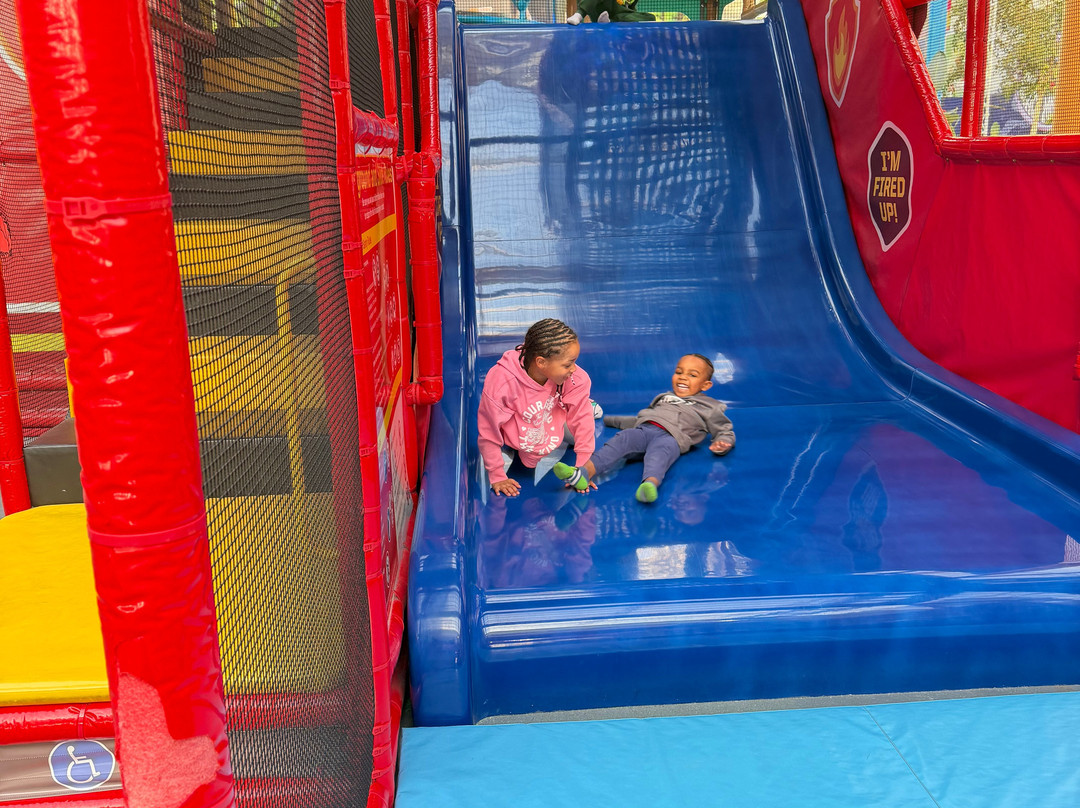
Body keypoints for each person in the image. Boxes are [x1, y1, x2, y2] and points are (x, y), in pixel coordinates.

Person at [554, 353, 734, 503]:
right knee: (620, 440)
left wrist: (723, 442)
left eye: (692, 375)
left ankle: (649, 485)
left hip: (671, 439)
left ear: (706, 385)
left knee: (658, 457)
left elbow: (724, 428)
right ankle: (584, 473)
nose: (683, 377)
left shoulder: (710, 406)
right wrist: (611, 420)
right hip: (645, 430)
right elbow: (642, 417)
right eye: (679, 372)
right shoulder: (664, 397)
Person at [478, 318, 600, 497]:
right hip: (523, 424)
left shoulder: (575, 379)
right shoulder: (503, 382)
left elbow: (582, 422)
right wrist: (497, 475)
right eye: (568, 364)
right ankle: (584, 405)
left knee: (581, 424)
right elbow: (489, 431)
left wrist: (582, 467)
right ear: (541, 362)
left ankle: (588, 404)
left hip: (555, 417)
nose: (574, 369)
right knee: (523, 449)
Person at [567, 0, 655, 24]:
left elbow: (631, 9)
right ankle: (578, 15)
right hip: (600, 10)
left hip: (618, 17)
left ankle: (609, 22)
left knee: (651, 17)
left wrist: (633, 17)